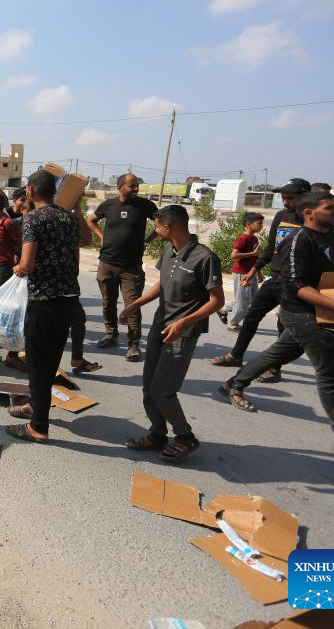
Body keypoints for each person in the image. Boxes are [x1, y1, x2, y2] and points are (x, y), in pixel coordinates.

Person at [220, 194, 334, 463]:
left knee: (281, 352)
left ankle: (234, 383)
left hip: (321, 313)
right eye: (330, 207)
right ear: (309, 212)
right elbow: (298, 286)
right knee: (332, 372)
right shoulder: (298, 241)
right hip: (299, 313)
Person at [120, 205, 224, 463]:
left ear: (168, 226)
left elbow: (217, 301)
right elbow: (163, 283)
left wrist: (184, 322)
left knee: (163, 390)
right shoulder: (169, 250)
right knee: (148, 387)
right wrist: (136, 303)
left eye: (157, 226)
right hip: (160, 326)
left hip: (182, 333)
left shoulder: (204, 257)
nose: (155, 231)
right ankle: (157, 434)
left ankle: (185, 436)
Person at [5, 169, 90, 444]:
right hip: (69, 299)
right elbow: (85, 243)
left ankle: (38, 427)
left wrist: (18, 268)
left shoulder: (33, 218)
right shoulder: (68, 217)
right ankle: (35, 405)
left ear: (30, 191)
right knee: (50, 360)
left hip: (44, 300)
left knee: (38, 363)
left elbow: (27, 265)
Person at [210, 178, 311, 380]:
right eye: (283, 197)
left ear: (305, 197)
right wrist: (254, 270)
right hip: (275, 278)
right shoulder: (281, 216)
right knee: (251, 316)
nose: (285, 202)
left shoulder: (312, 220)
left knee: (283, 324)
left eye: (290, 198)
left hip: (295, 283)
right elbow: (271, 247)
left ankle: (275, 368)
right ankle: (236, 355)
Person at [87, 172, 158, 361]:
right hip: (107, 263)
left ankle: (134, 345)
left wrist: (147, 241)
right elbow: (91, 220)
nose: (136, 189)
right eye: (132, 186)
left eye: (137, 185)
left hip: (131, 267)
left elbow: (161, 224)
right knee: (108, 302)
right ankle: (111, 335)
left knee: (132, 306)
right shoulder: (108, 205)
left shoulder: (145, 205)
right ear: (120, 187)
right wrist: (102, 237)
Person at [0, 189, 28, 372]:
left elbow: (19, 243)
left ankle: (3, 336)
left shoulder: (8, 223)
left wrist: (18, 257)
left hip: (3, 266)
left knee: (3, 303)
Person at [218, 212, 264, 331]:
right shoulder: (243, 238)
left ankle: (224, 308)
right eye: (259, 223)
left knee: (254, 299)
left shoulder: (254, 238)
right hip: (242, 273)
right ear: (249, 224)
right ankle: (233, 323)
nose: (261, 226)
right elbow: (234, 255)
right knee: (243, 300)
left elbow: (256, 257)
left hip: (251, 273)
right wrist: (253, 253)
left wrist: (259, 272)